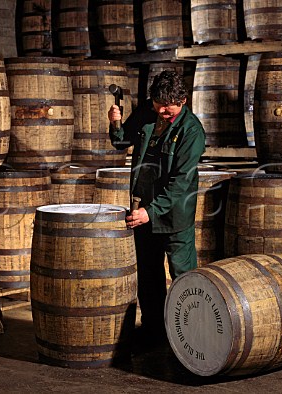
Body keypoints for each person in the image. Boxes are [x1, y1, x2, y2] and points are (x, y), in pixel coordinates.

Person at [108, 70, 206, 343]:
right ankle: (154, 331)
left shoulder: (192, 132)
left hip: (174, 217)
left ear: (183, 101)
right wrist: (115, 124)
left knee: (184, 277)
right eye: (158, 104)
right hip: (142, 209)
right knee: (148, 277)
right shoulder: (147, 112)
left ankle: (193, 333)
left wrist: (150, 212)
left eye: (168, 107)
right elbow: (121, 141)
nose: (162, 111)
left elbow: (181, 185)